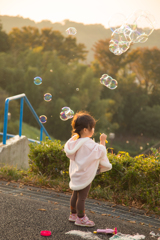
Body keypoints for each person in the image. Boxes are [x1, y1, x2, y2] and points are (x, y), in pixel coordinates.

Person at [64, 111, 112, 227]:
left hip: (77, 173)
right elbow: (101, 152)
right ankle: (81, 218)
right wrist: (102, 141)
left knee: (75, 194)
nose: (93, 130)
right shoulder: (88, 144)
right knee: (82, 198)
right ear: (85, 130)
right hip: (85, 175)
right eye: (92, 128)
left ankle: (73, 214)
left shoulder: (75, 142)